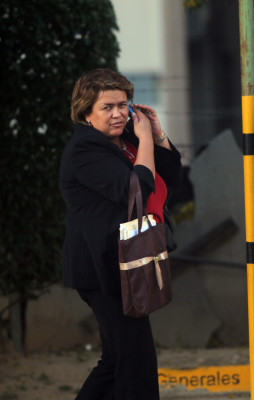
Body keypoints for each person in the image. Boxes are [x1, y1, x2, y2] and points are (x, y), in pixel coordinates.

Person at [59, 68, 182, 399]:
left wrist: (155, 136)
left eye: (122, 105)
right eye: (107, 107)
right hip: (102, 269)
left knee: (118, 362)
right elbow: (136, 191)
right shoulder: (85, 150)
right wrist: (143, 142)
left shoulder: (126, 139)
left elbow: (168, 178)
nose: (118, 114)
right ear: (86, 112)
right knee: (135, 362)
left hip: (125, 262)